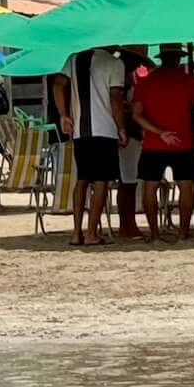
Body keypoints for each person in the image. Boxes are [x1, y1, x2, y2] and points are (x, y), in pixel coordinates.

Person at [131, 43, 194, 239]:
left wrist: (159, 132)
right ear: (178, 59)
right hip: (183, 141)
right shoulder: (188, 80)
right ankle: (182, 233)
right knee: (186, 186)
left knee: (150, 186)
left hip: (153, 143)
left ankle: (154, 234)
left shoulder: (146, 82)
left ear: (161, 58)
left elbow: (136, 115)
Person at [74, 44, 128, 244]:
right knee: (101, 182)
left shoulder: (74, 59)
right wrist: (121, 128)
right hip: (105, 129)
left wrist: (63, 115)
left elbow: (58, 84)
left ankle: (76, 232)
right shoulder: (114, 63)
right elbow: (115, 98)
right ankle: (91, 233)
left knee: (82, 180)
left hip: (80, 130)